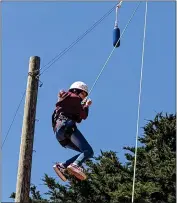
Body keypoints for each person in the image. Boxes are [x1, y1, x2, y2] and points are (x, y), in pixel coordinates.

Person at [52, 81, 94, 181]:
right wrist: (85, 105)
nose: (84, 97)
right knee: (88, 151)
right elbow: (83, 115)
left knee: (85, 153)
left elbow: (82, 116)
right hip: (66, 126)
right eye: (83, 93)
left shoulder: (71, 102)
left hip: (60, 135)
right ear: (76, 90)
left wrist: (85, 106)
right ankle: (75, 165)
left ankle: (62, 166)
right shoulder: (72, 97)